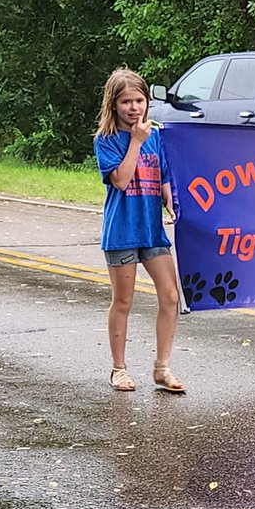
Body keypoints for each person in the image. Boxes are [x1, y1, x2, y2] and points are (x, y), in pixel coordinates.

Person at [94, 68, 185, 394]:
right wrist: (135, 140)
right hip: (121, 232)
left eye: (139, 100)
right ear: (113, 104)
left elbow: (163, 180)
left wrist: (174, 205)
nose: (134, 108)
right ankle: (118, 369)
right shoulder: (105, 141)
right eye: (126, 102)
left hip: (152, 231)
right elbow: (120, 179)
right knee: (124, 300)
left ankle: (162, 368)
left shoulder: (156, 137)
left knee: (171, 296)